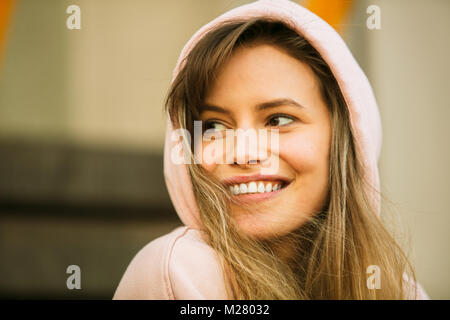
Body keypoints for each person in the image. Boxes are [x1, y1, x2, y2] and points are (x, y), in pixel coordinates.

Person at [113, 0, 429, 299]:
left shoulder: (396, 288)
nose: (243, 153)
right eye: (214, 127)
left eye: (278, 120)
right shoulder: (178, 273)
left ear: (344, 138)